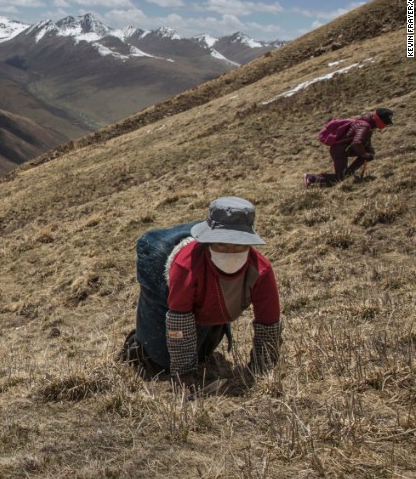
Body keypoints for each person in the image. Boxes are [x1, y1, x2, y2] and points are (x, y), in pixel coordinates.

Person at [120, 197, 282, 390]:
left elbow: (268, 323)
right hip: (166, 291)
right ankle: (138, 345)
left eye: (238, 244)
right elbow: (179, 321)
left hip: (214, 304)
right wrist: (184, 374)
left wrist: (262, 368)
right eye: (221, 244)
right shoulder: (185, 266)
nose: (230, 251)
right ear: (209, 242)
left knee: (203, 353)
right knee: (159, 362)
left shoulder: (260, 270)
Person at [305, 107, 393, 187]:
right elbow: (357, 143)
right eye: (385, 123)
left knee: (367, 155)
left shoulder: (367, 124)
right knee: (339, 178)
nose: (385, 125)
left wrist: (368, 149)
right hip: (340, 151)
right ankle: (311, 178)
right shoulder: (365, 126)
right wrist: (364, 154)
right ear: (378, 119)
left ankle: (347, 175)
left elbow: (362, 140)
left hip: (342, 149)